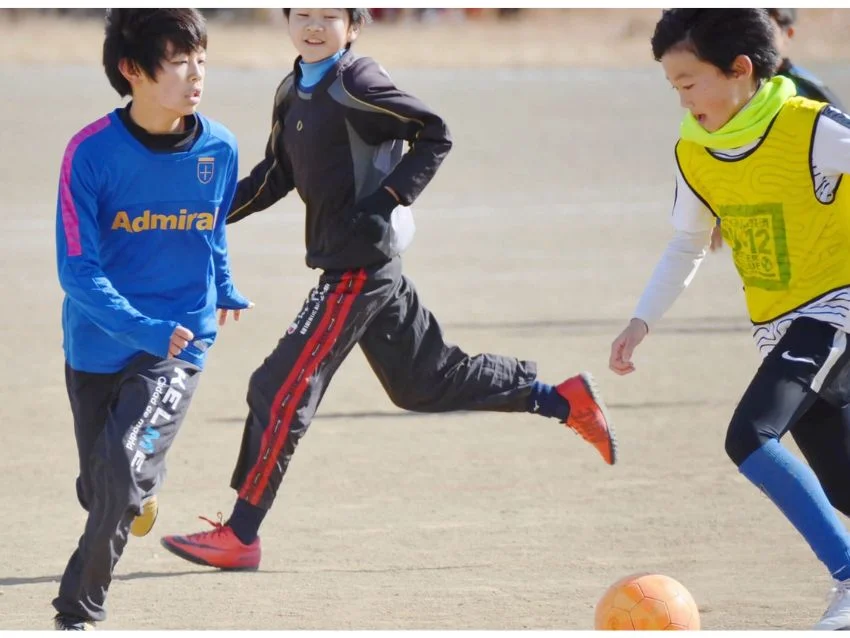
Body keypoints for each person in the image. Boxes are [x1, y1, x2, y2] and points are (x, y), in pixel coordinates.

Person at [160, 7, 616, 573]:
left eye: (330, 15)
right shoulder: (291, 91)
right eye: (302, 12)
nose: (314, 24)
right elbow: (277, 172)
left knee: (279, 389)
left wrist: (386, 200)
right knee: (424, 383)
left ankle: (242, 534)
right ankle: (561, 399)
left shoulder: (357, 81)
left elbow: (434, 133)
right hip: (358, 269)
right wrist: (205, 216)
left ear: (353, 26)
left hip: (359, 270)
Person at [609, 9, 850, 630]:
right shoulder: (697, 150)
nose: (683, 100)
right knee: (846, 487)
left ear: (740, 70)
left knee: (750, 435)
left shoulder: (812, 128)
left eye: (690, 83)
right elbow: (689, 242)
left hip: (836, 311)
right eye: (674, 88)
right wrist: (642, 321)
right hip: (780, 326)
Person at [52, 8, 251, 630]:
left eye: (202, 61)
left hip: (180, 341)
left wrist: (223, 284)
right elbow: (77, 271)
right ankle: (138, 490)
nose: (196, 76)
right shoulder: (89, 153)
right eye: (180, 62)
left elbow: (211, 228)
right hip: (97, 346)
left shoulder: (219, 145)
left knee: (118, 470)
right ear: (132, 70)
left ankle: (77, 611)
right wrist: (141, 328)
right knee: (103, 489)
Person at [710, 7, 844, 252]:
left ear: (787, 33)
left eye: (765, 30)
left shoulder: (808, 90)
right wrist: (717, 214)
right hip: (765, 222)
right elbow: (731, 155)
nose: (755, 39)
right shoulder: (742, 92)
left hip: (815, 217)